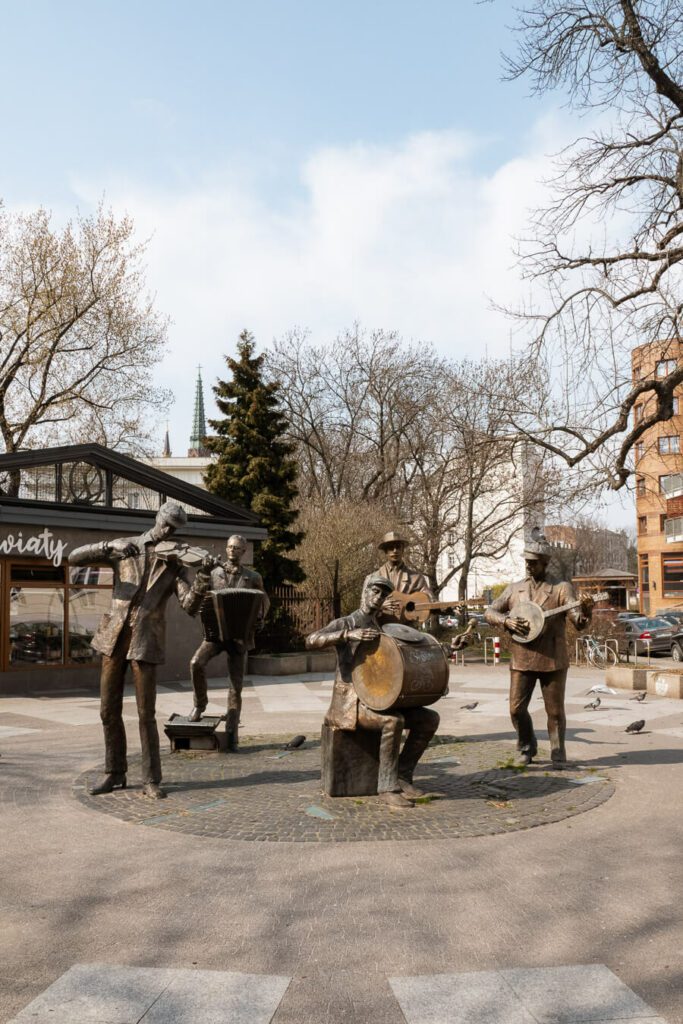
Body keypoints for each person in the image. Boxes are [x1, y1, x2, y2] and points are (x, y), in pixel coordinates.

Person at [69, 502, 209, 799]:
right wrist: (109, 545)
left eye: (175, 528)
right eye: (167, 524)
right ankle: (114, 772)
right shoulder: (126, 547)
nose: (169, 531)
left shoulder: (175, 563)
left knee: (146, 714)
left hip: (145, 640)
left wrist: (203, 579)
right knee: (108, 710)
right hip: (114, 636)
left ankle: (150, 778)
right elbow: (73, 558)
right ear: (157, 518)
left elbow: (189, 606)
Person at [306, 574, 440, 808]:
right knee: (392, 722)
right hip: (350, 704)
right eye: (375, 592)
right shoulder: (346, 623)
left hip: (379, 698)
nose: (378, 598)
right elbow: (311, 640)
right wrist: (347, 635)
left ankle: (403, 776)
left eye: (383, 595)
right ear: (364, 593)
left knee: (429, 719)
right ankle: (387, 787)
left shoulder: (382, 628)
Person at [485, 529, 593, 768]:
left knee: (554, 711)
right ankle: (527, 745)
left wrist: (587, 611)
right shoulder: (514, 589)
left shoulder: (561, 588)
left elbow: (578, 622)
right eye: (527, 562)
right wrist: (506, 621)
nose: (529, 567)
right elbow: (490, 611)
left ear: (545, 563)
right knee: (515, 709)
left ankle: (557, 751)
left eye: (533, 563)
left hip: (552, 659)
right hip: (521, 658)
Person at [188, 534, 269, 749]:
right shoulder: (213, 573)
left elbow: (264, 601)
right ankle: (199, 705)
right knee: (196, 663)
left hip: (240, 636)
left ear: (244, 552)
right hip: (215, 635)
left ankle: (232, 731)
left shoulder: (253, 577)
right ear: (226, 549)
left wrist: (260, 619)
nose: (233, 551)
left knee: (236, 686)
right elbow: (199, 599)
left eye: (238, 548)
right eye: (230, 547)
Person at [365, 530, 435, 622]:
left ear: (403, 550)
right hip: (379, 628)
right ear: (385, 551)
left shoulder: (416, 578)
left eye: (398, 547)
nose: (395, 551)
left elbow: (431, 601)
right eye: (391, 548)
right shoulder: (372, 578)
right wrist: (380, 606)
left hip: (406, 631)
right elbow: (363, 607)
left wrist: (449, 609)